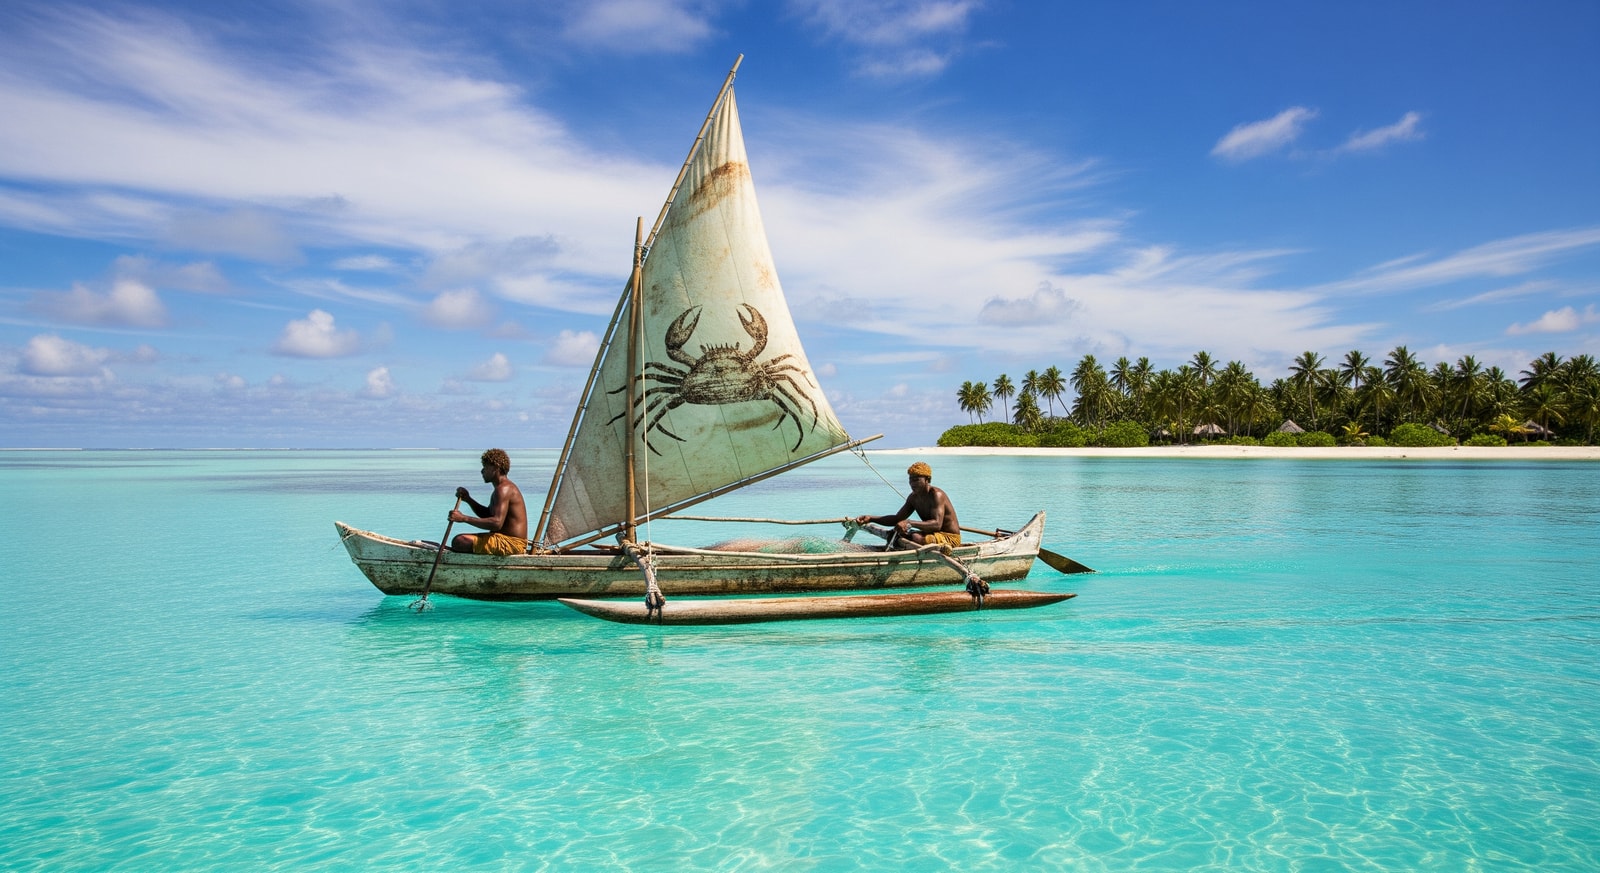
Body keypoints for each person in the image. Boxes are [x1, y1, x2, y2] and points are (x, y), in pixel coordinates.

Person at [854, 461, 961, 548]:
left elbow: (937, 524)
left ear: (927, 480)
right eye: (911, 480)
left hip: (949, 538)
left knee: (916, 538)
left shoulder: (936, 495)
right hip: (932, 534)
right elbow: (897, 519)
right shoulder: (913, 497)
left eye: (916, 480)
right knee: (894, 533)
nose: (912, 483)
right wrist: (871, 518)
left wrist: (909, 522)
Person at [449, 448, 529, 555]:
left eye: (485, 467)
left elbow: (496, 523)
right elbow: (488, 515)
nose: (482, 471)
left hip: (511, 543)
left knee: (459, 541)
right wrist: (468, 499)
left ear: (495, 468)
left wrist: (464, 518)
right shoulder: (502, 488)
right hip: (504, 540)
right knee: (460, 540)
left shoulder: (503, 490)